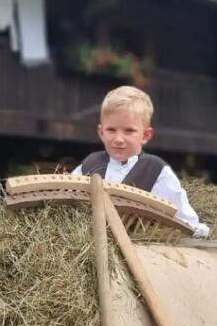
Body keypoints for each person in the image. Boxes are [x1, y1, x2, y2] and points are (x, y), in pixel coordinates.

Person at [70, 86, 209, 237]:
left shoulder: (155, 170)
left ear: (145, 135)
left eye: (129, 131)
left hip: (140, 248)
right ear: (101, 132)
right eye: (111, 130)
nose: (118, 139)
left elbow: (183, 218)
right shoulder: (90, 164)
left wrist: (196, 229)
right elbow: (67, 199)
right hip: (90, 243)